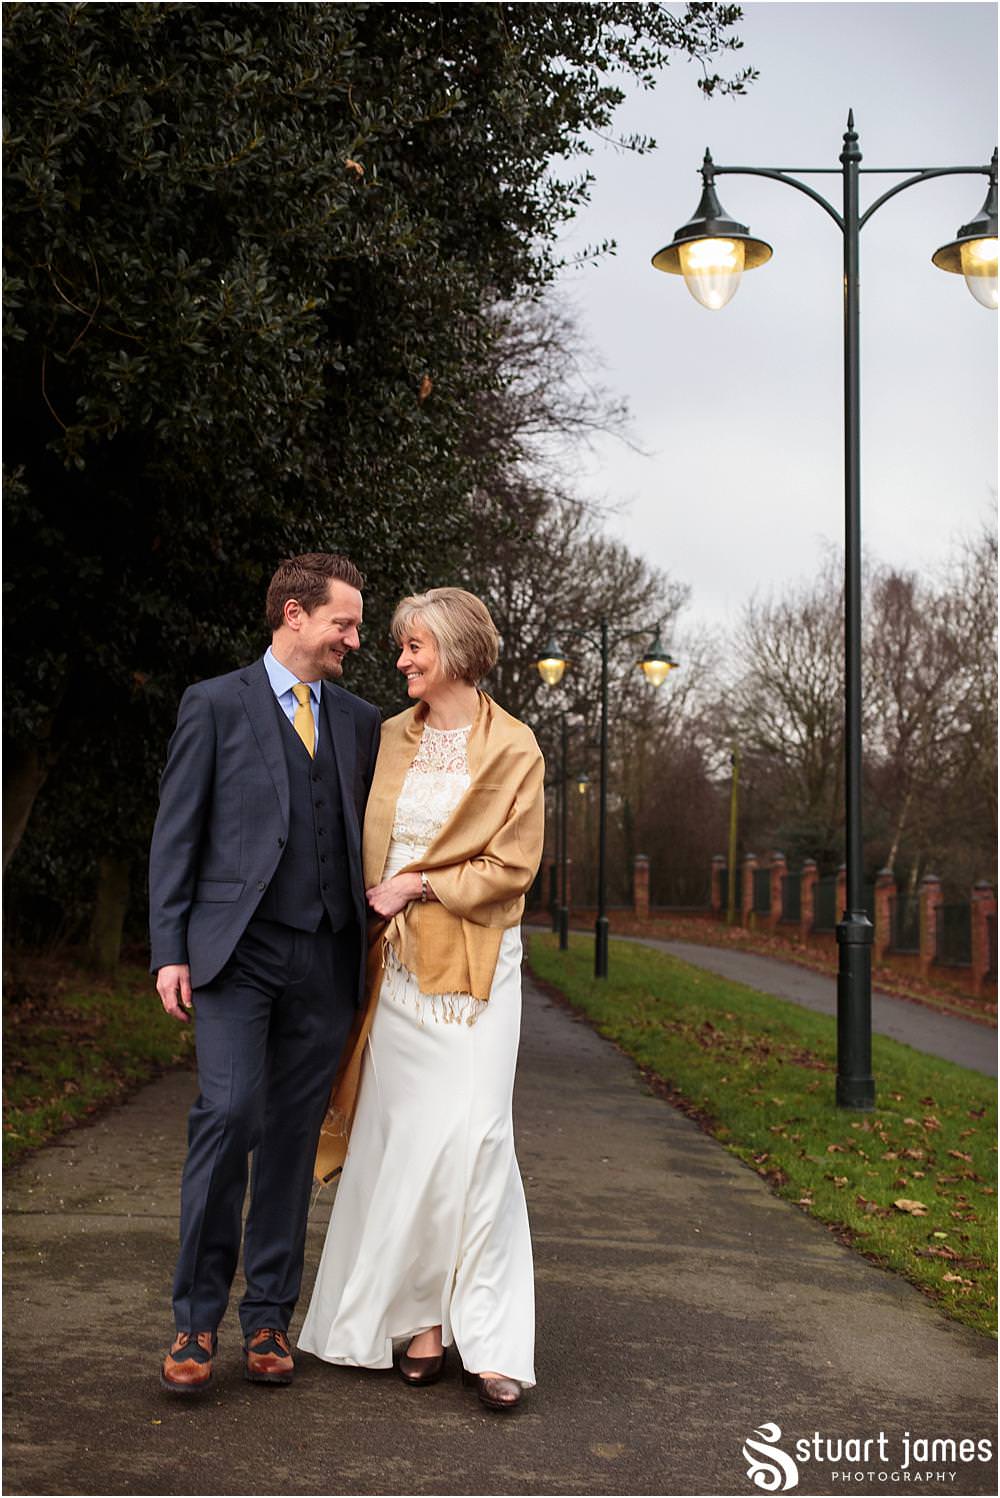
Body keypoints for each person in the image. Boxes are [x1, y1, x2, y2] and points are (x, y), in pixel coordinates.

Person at [298, 587, 544, 1412]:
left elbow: (511, 870)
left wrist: (418, 884)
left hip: (474, 973)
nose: (399, 660)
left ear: (459, 654)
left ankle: (495, 1339)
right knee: (402, 1142)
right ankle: (418, 1325)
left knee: (476, 1141)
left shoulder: (515, 748)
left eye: (414, 648)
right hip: (393, 974)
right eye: (400, 646)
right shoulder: (384, 737)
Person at [149, 552, 381, 1395]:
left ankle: (270, 1318)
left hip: (326, 958)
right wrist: (168, 947)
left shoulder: (360, 720)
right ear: (293, 614)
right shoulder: (214, 705)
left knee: (291, 1135)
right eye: (344, 624)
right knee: (230, 1112)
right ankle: (195, 1320)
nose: (356, 640)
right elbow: (178, 831)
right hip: (234, 956)